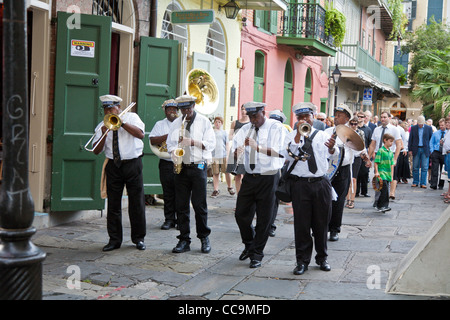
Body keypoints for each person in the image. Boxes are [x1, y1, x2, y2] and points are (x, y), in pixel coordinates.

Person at [282, 102, 338, 275]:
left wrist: (331, 148)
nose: (304, 120)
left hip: (320, 183)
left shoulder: (322, 135)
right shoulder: (291, 135)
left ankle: (322, 258)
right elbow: (286, 156)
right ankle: (302, 261)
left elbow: (333, 155)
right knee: (301, 224)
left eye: (307, 116)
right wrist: (298, 136)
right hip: (300, 184)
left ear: (313, 117)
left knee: (322, 223)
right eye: (300, 117)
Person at [232, 102, 285, 268]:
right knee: (241, 214)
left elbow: (280, 151)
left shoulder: (276, 127)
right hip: (250, 176)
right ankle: (249, 244)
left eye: (256, 116)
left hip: (269, 177)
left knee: (264, 218)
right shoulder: (245, 128)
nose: (253, 120)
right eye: (250, 117)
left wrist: (259, 148)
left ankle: (257, 254)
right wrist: (237, 153)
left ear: (263, 112)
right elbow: (235, 148)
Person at [92, 95, 146, 252]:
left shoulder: (132, 117)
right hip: (113, 166)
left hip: (133, 164)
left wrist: (122, 124)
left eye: (111, 108)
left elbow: (141, 134)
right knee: (113, 205)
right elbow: (96, 151)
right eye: (106, 109)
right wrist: (103, 134)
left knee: (136, 203)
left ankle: (139, 238)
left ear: (118, 107)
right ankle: (114, 240)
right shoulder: (102, 125)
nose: (109, 111)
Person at [166, 95, 216, 254]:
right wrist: (174, 152)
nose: (186, 112)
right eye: (183, 109)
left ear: (194, 106)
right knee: (181, 205)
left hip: (198, 165)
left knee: (200, 205)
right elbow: (169, 144)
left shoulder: (204, 122)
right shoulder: (176, 123)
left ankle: (204, 237)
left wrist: (192, 142)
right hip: (181, 167)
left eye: (188, 108)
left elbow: (210, 144)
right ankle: (184, 239)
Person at [324, 104, 354, 242]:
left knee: (339, 201)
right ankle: (322, 227)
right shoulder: (327, 131)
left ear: (347, 118)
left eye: (339, 115)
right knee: (324, 200)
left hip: (342, 170)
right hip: (328, 169)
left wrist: (365, 157)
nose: (335, 117)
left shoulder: (351, 133)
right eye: (335, 115)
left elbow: (359, 150)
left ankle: (334, 229)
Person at [149, 99, 179, 230]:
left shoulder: (182, 123)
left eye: (174, 109)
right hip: (166, 162)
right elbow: (152, 139)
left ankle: (180, 220)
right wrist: (167, 136)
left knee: (181, 193)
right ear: (165, 111)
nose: (172, 112)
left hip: (180, 162)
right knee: (167, 193)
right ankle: (169, 219)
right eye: (169, 110)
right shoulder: (160, 124)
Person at [367, 111, 402, 206]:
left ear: (389, 118)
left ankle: (389, 195)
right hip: (379, 155)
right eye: (381, 117)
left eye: (385, 117)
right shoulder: (376, 129)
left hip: (390, 155)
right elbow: (372, 144)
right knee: (378, 179)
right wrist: (368, 158)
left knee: (389, 179)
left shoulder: (395, 129)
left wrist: (395, 159)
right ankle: (377, 200)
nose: (382, 119)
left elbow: (399, 144)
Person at [268, 109, 291, 237]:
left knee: (274, 198)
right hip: (263, 169)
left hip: (277, 168)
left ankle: (271, 225)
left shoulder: (285, 131)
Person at [345, 117, 369, 209]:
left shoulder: (360, 132)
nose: (354, 126)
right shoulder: (346, 132)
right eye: (352, 124)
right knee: (348, 179)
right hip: (347, 156)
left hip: (357, 156)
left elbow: (363, 145)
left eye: (355, 124)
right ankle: (347, 199)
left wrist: (366, 157)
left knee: (353, 179)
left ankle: (352, 200)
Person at [226, 104, 250, 194]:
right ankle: (239, 198)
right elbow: (230, 136)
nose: (243, 111)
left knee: (245, 175)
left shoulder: (250, 123)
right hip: (236, 149)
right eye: (242, 109)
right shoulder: (235, 123)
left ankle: (245, 197)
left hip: (246, 150)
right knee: (237, 176)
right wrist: (237, 138)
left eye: (245, 109)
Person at [211, 116, 234, 198]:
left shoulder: (224, 132)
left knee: (227, 172)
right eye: (216, 122)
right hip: (214, 156)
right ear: (214, 123)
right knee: (216, 173)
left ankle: (230, 187)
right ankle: (216, 189)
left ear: (221, 123)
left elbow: (227, 144)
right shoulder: (211, 132)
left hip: (223, 155)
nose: (217, 123)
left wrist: (227, 155)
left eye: (219, 122)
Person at [408, 116, 433, 188]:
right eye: (419, 124)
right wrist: (410, 149)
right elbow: (410, 139)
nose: (420, 125)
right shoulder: (413, 128)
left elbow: (430, 139)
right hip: (416, 148)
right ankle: (415, 182)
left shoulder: (429, 128)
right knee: (415, 167)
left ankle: (423, 183)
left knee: (425, 167)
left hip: (425, 149)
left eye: (421, 124)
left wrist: (430, 149)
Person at [374, 133, 395, 213]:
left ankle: (381, 205)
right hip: (382, 173)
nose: (391, 143)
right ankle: (382, 206)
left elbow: (392, 164)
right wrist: (376, 172)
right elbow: (376, 162)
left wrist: (392, 175)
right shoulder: (381, 150)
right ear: (385, 140)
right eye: (390, 141)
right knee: (384, 190)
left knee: (385, 190)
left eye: (392, 142)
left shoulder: (390, 152)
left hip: (388, 174)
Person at [355, 111, 372, 198]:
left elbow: (369, 143)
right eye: (359, 116)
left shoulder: (368, 129)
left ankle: (364, 191)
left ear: (365, 118)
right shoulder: (354, 128)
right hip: (356, 153)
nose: (360, 118)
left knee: (365, 173)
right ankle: (356, 192)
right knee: (357, 173)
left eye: (362, 117)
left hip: (365, 153)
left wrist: (369, 155)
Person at [429, 118, 447, 190]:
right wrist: (432, 151)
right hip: (436, 152)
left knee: (442, 170)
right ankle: (433, 184)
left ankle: (441, 185)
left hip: (444, 153)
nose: (441, 126)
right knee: (434, 169)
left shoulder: (448, 134)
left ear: (446, 124)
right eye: (440, 125)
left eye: (442, 125)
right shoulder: (435, 133)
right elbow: (431, 142)